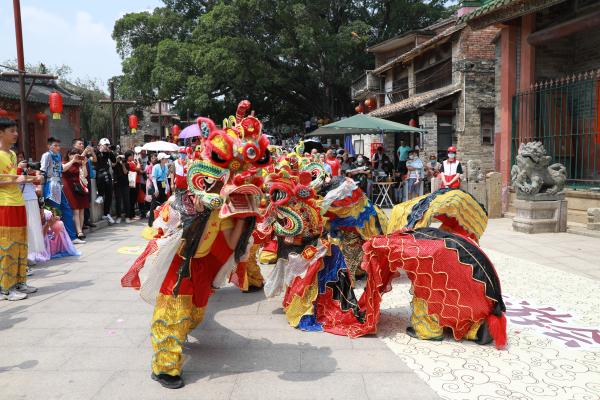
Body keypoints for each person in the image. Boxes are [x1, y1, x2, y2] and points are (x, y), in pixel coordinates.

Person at [0, 117, 36, 300]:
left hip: (18, 202)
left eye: (16, 130)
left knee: (21, 244)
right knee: (7, 246)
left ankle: (20, 282)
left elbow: (13, 179)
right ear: (1, 133)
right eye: (11, 131)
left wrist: (30, 178)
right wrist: (16, 180)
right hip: (4, 205)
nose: (16, 134)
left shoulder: (13, 154)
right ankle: (5, 288)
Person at [40, 137, 77, 241]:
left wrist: (73, 160)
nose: (58, 147)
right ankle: (57, 239)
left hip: (59, 185)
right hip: (51, 186)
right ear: (49, 146)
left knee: (67, 210)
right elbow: (42, 171)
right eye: (55, 145)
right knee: (55, 212)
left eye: (58, 145)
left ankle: (71, 237)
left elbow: (62, 169)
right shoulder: (46, 155)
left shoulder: (58, 156)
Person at [17, 160, 44, 268]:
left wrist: (34, 174)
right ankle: (24, 256)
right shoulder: (16, 170)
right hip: (22, 201)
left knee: (34, 228)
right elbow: (17, 179)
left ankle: (29, 255)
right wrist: (20, 169)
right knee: (26, 228)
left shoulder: (31, 173)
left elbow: (39, 182)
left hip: (32, 200)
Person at [62, 148, 89, 243]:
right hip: (69, 187)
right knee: (76, 210)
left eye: (76, 154)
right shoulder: (65, 162)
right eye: (72, 154)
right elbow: (63, 169)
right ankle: (78, 231)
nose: (74, 155)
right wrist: (73, 161)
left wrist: (84, 164)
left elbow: (85, 175)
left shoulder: (79, 164)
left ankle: (80, 231)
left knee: (82, 209)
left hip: (80, 187)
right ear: (68, 154)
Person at [73, 139, 97, 229]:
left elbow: (95, 159)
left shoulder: (86, 154)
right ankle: (81, 224)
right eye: (80, 143)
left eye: (83, 143)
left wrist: (92, 152)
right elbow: (77, 161)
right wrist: (84, 152)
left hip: (87, 179)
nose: (82, 145)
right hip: (79, 179)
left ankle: (87, 220)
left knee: (88, 200)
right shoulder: (74, 153)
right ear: (74, 145)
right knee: (81, 202)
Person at [95, 138, 116, 224]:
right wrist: (100, 150)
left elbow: (114, 161)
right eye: (105, 145)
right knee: (101, 176)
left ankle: (106, 213)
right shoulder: (96, 152)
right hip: (99, 173)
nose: (106, 147)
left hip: (107, 174)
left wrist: (109, 152)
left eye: (107, 145)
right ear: (100, 145)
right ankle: (100, 194)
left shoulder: (108, 153)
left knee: (109, 194)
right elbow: (95, 159)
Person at [148, 152, 170, 226]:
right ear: (161, 159)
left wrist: (167, 186)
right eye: (165, 158)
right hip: (156, 184)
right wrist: (156, 189)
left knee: (163, 203)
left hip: (163, 184)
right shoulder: (156, 167)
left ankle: (162, 222)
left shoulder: (165, 166)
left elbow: (166, 177)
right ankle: (151, 222)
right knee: (154, 203)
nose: (166, 159)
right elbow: (154, 179)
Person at [113, 153, 132, 223]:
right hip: (117, 184)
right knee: (118, 201)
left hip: (125, 184)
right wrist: (116, 160)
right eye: (120, 158)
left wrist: (122, 164)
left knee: (126, 200)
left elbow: (125, 172)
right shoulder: (115, 164)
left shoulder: (126, 164)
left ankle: (127, 216)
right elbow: (112, 165)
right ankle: (118, 216)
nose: (121, 159)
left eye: (122, 158)